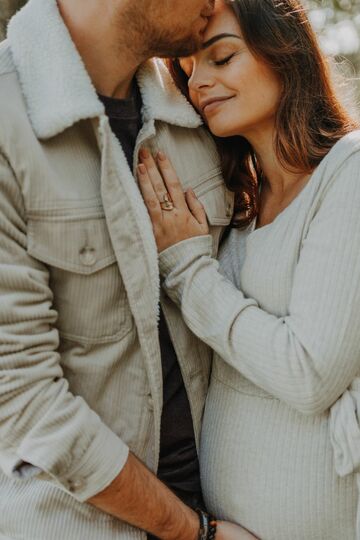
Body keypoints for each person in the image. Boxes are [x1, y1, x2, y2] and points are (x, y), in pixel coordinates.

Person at [0, 0, 257, 538]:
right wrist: (193, 531)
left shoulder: (201, 105)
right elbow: (21, 400)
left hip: (234, 510)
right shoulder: (7, 124)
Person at [138, 0, 360, 538]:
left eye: (222, 58)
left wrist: (190, 274)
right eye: (189, 72)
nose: (198, 87)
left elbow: (308, 373)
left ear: (286, 53)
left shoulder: (348, 172)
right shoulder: (241, 203)